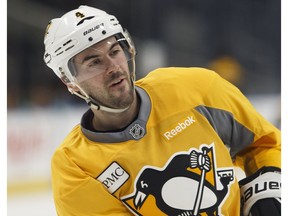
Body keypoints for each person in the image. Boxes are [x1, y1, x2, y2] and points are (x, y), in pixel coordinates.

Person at [43, 5, 281, 216]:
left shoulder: (195, 87)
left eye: (115, 51)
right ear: (70, 82)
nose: (113, 68)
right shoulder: (74, 167)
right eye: (94, 62)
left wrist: (267, 191)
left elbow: (264, 143)